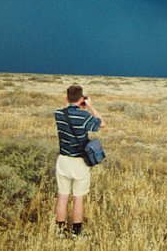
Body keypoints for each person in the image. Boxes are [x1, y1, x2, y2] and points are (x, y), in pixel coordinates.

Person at [54, 84, 105, 236]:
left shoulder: (58, 113)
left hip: (63, 160)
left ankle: (59, 232)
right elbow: (102, 123)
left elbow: (66, 109)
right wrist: (90, 106)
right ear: (82, 98)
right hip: (79, 162)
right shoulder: (85, 117)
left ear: (66, 97)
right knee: (78, 198)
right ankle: (77, 233)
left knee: (62, 196)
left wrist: (72, 102)